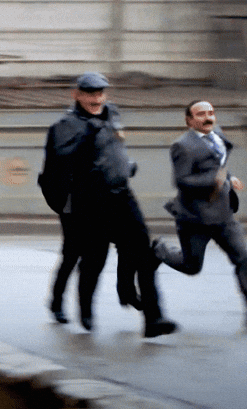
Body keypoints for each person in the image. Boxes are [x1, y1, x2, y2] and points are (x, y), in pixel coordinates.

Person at [38, 71, 177, 337]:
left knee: (141, 251)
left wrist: (125, 166)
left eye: (100, 93)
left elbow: (115, 145)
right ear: (76, 95)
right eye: (90, 93)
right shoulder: (66, 125)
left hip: (122, 194)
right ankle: (83, 308)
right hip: (89, 201)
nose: (96, 98)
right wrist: (85, 137)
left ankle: (153, 318)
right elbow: (60, 160)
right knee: (92, 257)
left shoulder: (112, 112)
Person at [153, 100, 247, 324]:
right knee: (191, 267)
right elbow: (182, 181)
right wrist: (214, 181)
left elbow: (218, 164)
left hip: (224, 215)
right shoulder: (182, 146)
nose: (208, 117)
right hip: (196, 218)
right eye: (201, 114)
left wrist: (229, 177)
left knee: (243, 258)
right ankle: (159, 249)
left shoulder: (218, 135)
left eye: (211, 112)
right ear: (189, 121)